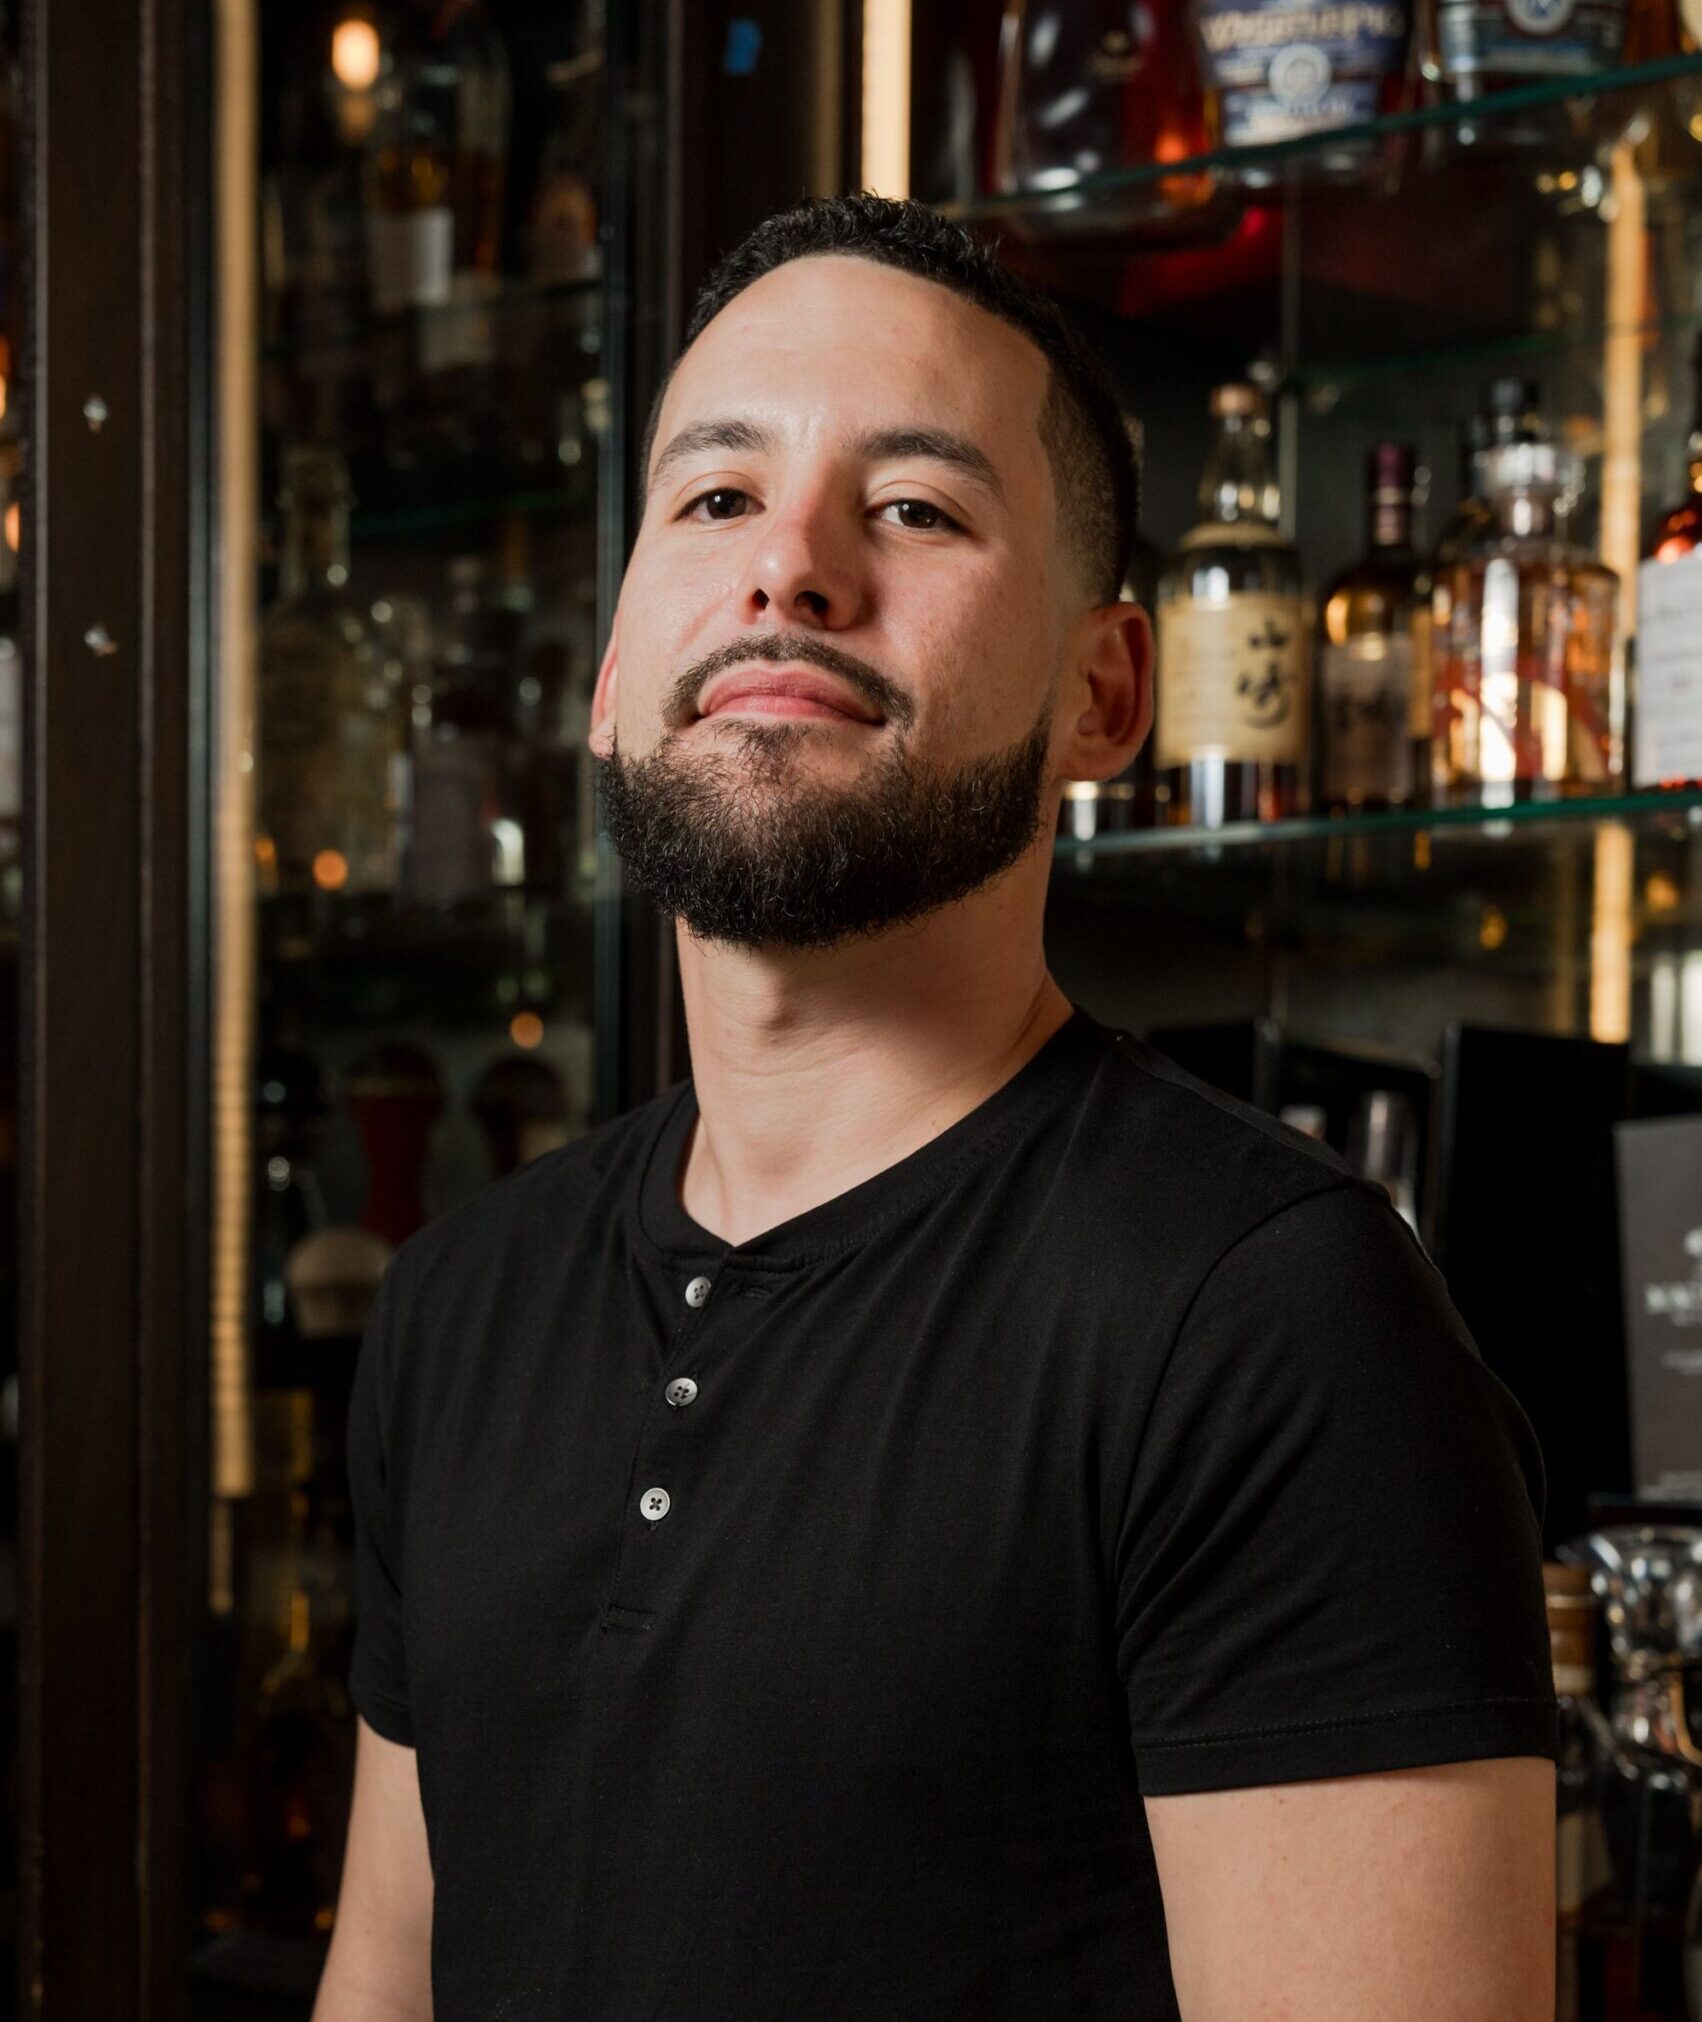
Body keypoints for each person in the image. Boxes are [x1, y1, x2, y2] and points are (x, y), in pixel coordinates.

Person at [315, 194, 1557, 2020]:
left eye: (914, 506)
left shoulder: (1275, 1321)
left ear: (1103, 689)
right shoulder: (459, 1298)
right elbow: (392, 1971)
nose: (788, 568)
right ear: (606, 676)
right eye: (716, 497)